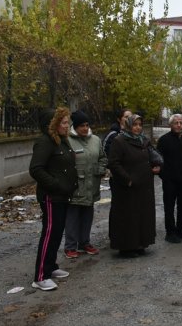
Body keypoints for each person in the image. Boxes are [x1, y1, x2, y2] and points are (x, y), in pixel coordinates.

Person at [29, 107, 77, 291]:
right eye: (64, 122)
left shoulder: (61, 141)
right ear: (54, 124)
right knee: (50, 233)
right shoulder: (44, 142)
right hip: (51, 196)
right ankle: (41, 276)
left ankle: (51, 266)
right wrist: (57, 184)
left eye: (67, 122)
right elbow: (36, 169)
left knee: (57, 232)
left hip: (62, 196)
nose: (67, 126)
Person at [107, 114, 160, 258]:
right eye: (135, 125)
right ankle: (126, 247)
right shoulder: (119, 141)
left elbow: (152, 156)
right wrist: (127, 179)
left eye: (139, 124)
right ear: (129, 126)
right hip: (127, 187)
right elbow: (114, 163)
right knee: (128, 216)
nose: (137, 127)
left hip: (144, 185)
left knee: (142, 215)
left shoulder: (143, 140)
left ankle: (141, 243)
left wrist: (156, 166)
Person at [64, 111, 107, 259]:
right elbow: (64, 162)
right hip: (75, 185)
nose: (85, 128)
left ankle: (84, 242)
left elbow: (102, 157)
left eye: (87, 125)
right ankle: (70, 246)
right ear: (75, 126)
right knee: (73, 216)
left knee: (87, 215)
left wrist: (100, 170)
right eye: (81, 125)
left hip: (91, 184)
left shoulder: (95, 140)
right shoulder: (67, 140)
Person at [156, 113, 182, 244]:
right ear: (170, 125)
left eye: (181, 123)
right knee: (169, 207)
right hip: (170, 180)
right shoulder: (163, 140)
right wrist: (164, 176)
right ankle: (170, 232)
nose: (178, 125)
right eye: (176, 123)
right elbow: (158, 160)